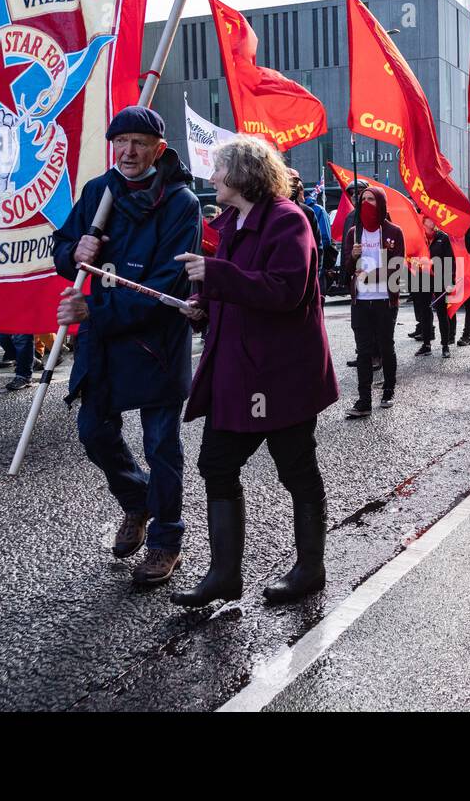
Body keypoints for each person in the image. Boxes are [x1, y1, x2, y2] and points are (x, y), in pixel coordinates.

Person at [172, 135, 339, 608]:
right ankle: (224, 576)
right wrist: (200, 308)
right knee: (216, 465)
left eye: (218, 169)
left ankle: (310, 568)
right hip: (236, 371)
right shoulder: (230, 223)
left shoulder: (289, 221)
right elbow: (231, 288)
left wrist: (215, 277)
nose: (211, 178)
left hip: (279, 373)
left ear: (242, 174)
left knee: (296, 470)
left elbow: (286, 290)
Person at [53, 106, 201, 587]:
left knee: (161, 445)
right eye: (122, 142)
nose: (129, 151)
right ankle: (137, 501)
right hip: (103, 344)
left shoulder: (181, 203)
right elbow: (64, 248)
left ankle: (165, 539)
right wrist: (73, 253)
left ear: (159, 148)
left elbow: (165, 287)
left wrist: (95, 311)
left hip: (156, 341)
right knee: (93, 432)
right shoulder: (99, 191)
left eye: (140, 142)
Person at [342, 185, 404, 416]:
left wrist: (372, 275)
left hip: (384, 301)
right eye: (363, 199)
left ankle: (388, 389)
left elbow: (397, 267)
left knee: (386, 347)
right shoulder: (353, 233)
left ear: (381, 203)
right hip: (361, 302)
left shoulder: (394, 231)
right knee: (363, 351)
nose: (366, 203)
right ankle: (364, 400)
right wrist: (353, 257)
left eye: (371, 199)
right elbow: (347, 268)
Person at [411, 212, 455, 358]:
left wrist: (450, 280)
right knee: (424, 312)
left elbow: (450, 260)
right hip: (422, 278)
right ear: (423, 221)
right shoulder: (418, 238)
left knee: (442, 312)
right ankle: (426, 344)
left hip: (439, 279)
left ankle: (445, 345)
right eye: (430, 218)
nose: (434, 221)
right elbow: (411, 257)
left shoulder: (443, 237)